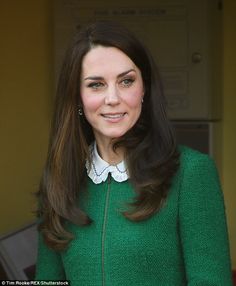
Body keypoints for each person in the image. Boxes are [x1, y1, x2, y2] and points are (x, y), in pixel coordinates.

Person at [35, 21, 233, 285]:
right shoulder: (58, 180)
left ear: (144, 89)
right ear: (76, 97)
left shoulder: (191, 173)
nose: (113, 98)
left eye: (126, 81)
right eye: (96, 84)